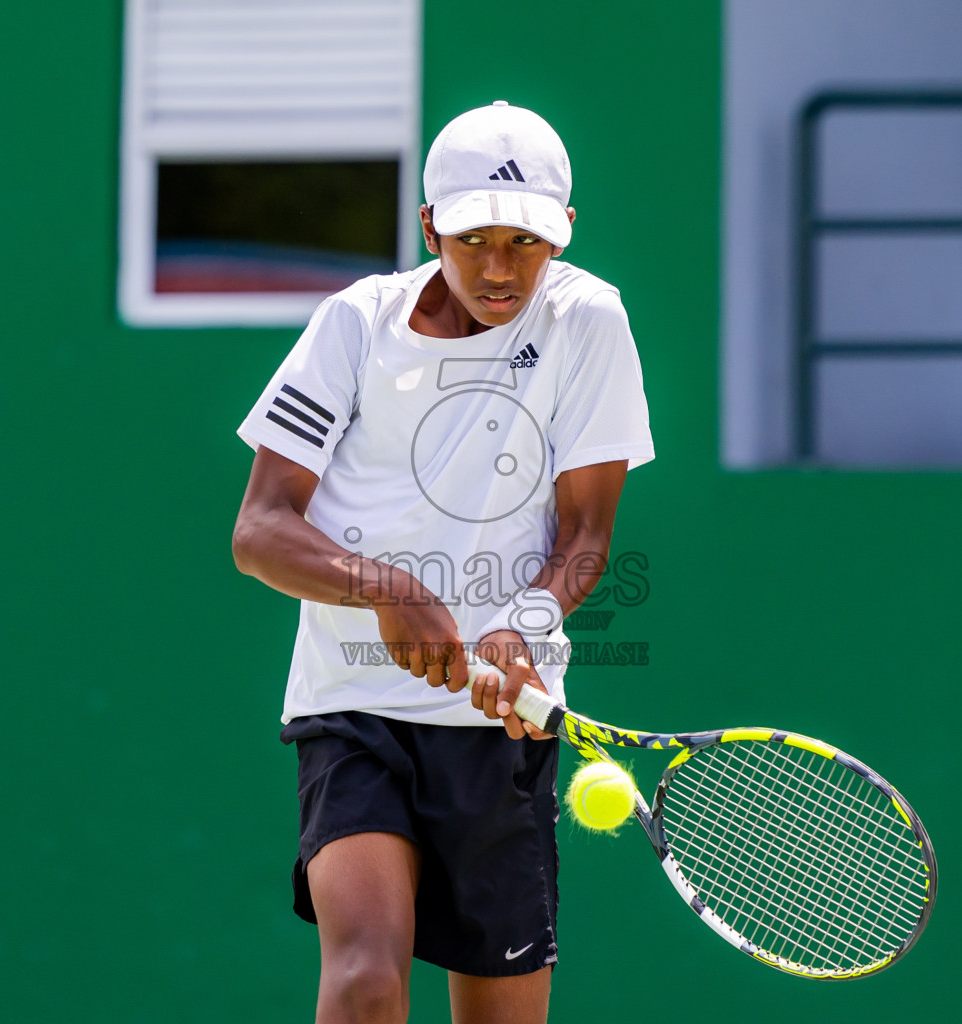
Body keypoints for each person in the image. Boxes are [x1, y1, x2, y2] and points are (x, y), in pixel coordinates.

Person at [231, 100, 653, 1024]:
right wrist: (383, 587)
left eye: (524, 242)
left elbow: (584, 539)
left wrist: (524, 626)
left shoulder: (589, 323)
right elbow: (260, 530)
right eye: (472, 240)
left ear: (564, 234)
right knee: (367, 979)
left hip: (502, 730)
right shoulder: (355, 325)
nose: (499, 269)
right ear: (429, 227)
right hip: (352, 710)